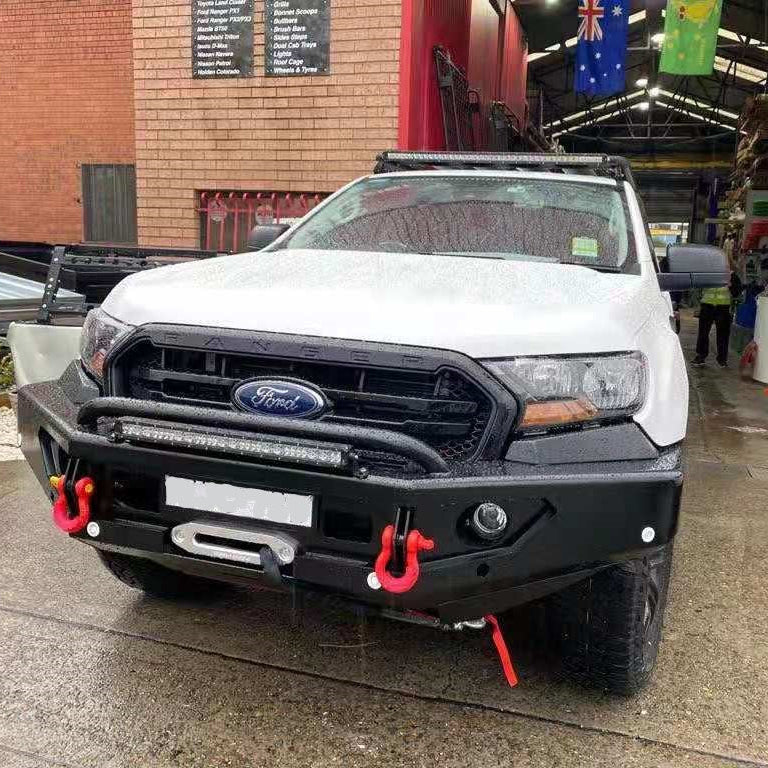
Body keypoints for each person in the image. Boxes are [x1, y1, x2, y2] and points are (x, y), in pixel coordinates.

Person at [692, 259, 742, 368]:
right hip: (707, 306)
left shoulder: (732, 276)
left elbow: (737, 292)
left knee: (723, 335)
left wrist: (730, 285)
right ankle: (701, 356)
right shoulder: (708, 274)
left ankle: (722, 359)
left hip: (722, 307)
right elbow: (697, 287)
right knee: (703, 333)